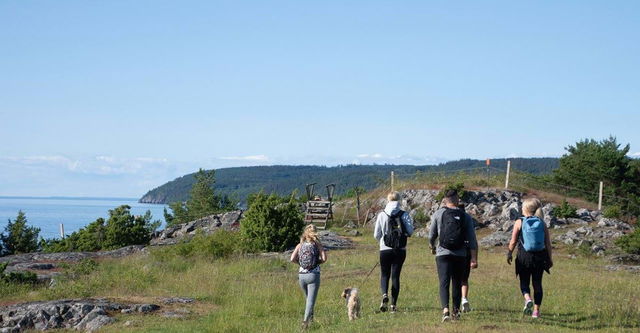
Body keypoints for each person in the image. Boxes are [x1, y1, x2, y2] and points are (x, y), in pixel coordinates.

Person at [429, 190, 478, 322]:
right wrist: (473, 258)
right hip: (460, 254)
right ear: (457, 200)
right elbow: (472, 239)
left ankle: (445, 310)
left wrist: (432, 246)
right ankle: (455, 313)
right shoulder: (465, 216)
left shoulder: (438, 214)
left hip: (442, 253)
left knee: (444, 282)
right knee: (456, 283)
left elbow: (432, 234)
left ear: (445, 200)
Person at [507, 197, 553, 319]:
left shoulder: (519, 222)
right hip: (540, 257)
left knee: (524, 282)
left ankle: (527, 299)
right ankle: (536, 312)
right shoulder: (542, 222)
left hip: (524, 257)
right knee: (537, 283)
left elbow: (513, 241)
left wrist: (509, 253)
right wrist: (549, 259)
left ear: (525, 209)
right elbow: (548, 243)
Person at [373, 191, 414, 313]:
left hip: (385, 249)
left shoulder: (382, 214)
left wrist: (382, 240)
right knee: (396, 276)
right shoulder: (404, 214)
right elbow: (410, 232)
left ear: (388, 200)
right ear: (399, 200)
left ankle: (384, 294)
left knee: (385, 274)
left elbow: (376, 235)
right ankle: (393, 305)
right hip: (400, 250)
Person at [290, 224, 327, 329]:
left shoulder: (300, 245)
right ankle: (305, 323)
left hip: (301, 275)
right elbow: (324, 258)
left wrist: (300, 264)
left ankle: (311, 321)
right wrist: (317, 263)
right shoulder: (317, 245)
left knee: (308, 300)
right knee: (310, 301)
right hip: (313, 275)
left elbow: (292, 258)